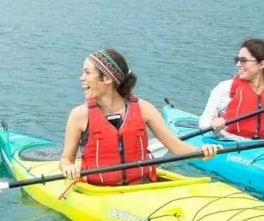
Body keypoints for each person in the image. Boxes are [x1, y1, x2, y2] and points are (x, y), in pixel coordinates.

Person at [59, 47, 216, 184]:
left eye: (87, 72)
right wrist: (68, 168)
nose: (81, 77)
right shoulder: (79, 115)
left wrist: (202, 152)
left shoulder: (144, 109)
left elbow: (177, 148)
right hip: (97, 189)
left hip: (141, 186)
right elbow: (66, 159)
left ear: (107, 78)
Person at [199, 38, 264, 140]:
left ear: (261, 64)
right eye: (237, 60)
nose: (238, 64)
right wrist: (213, 125)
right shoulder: (224, 89)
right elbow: (204, 123)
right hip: (231, 144)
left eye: (243, 60)